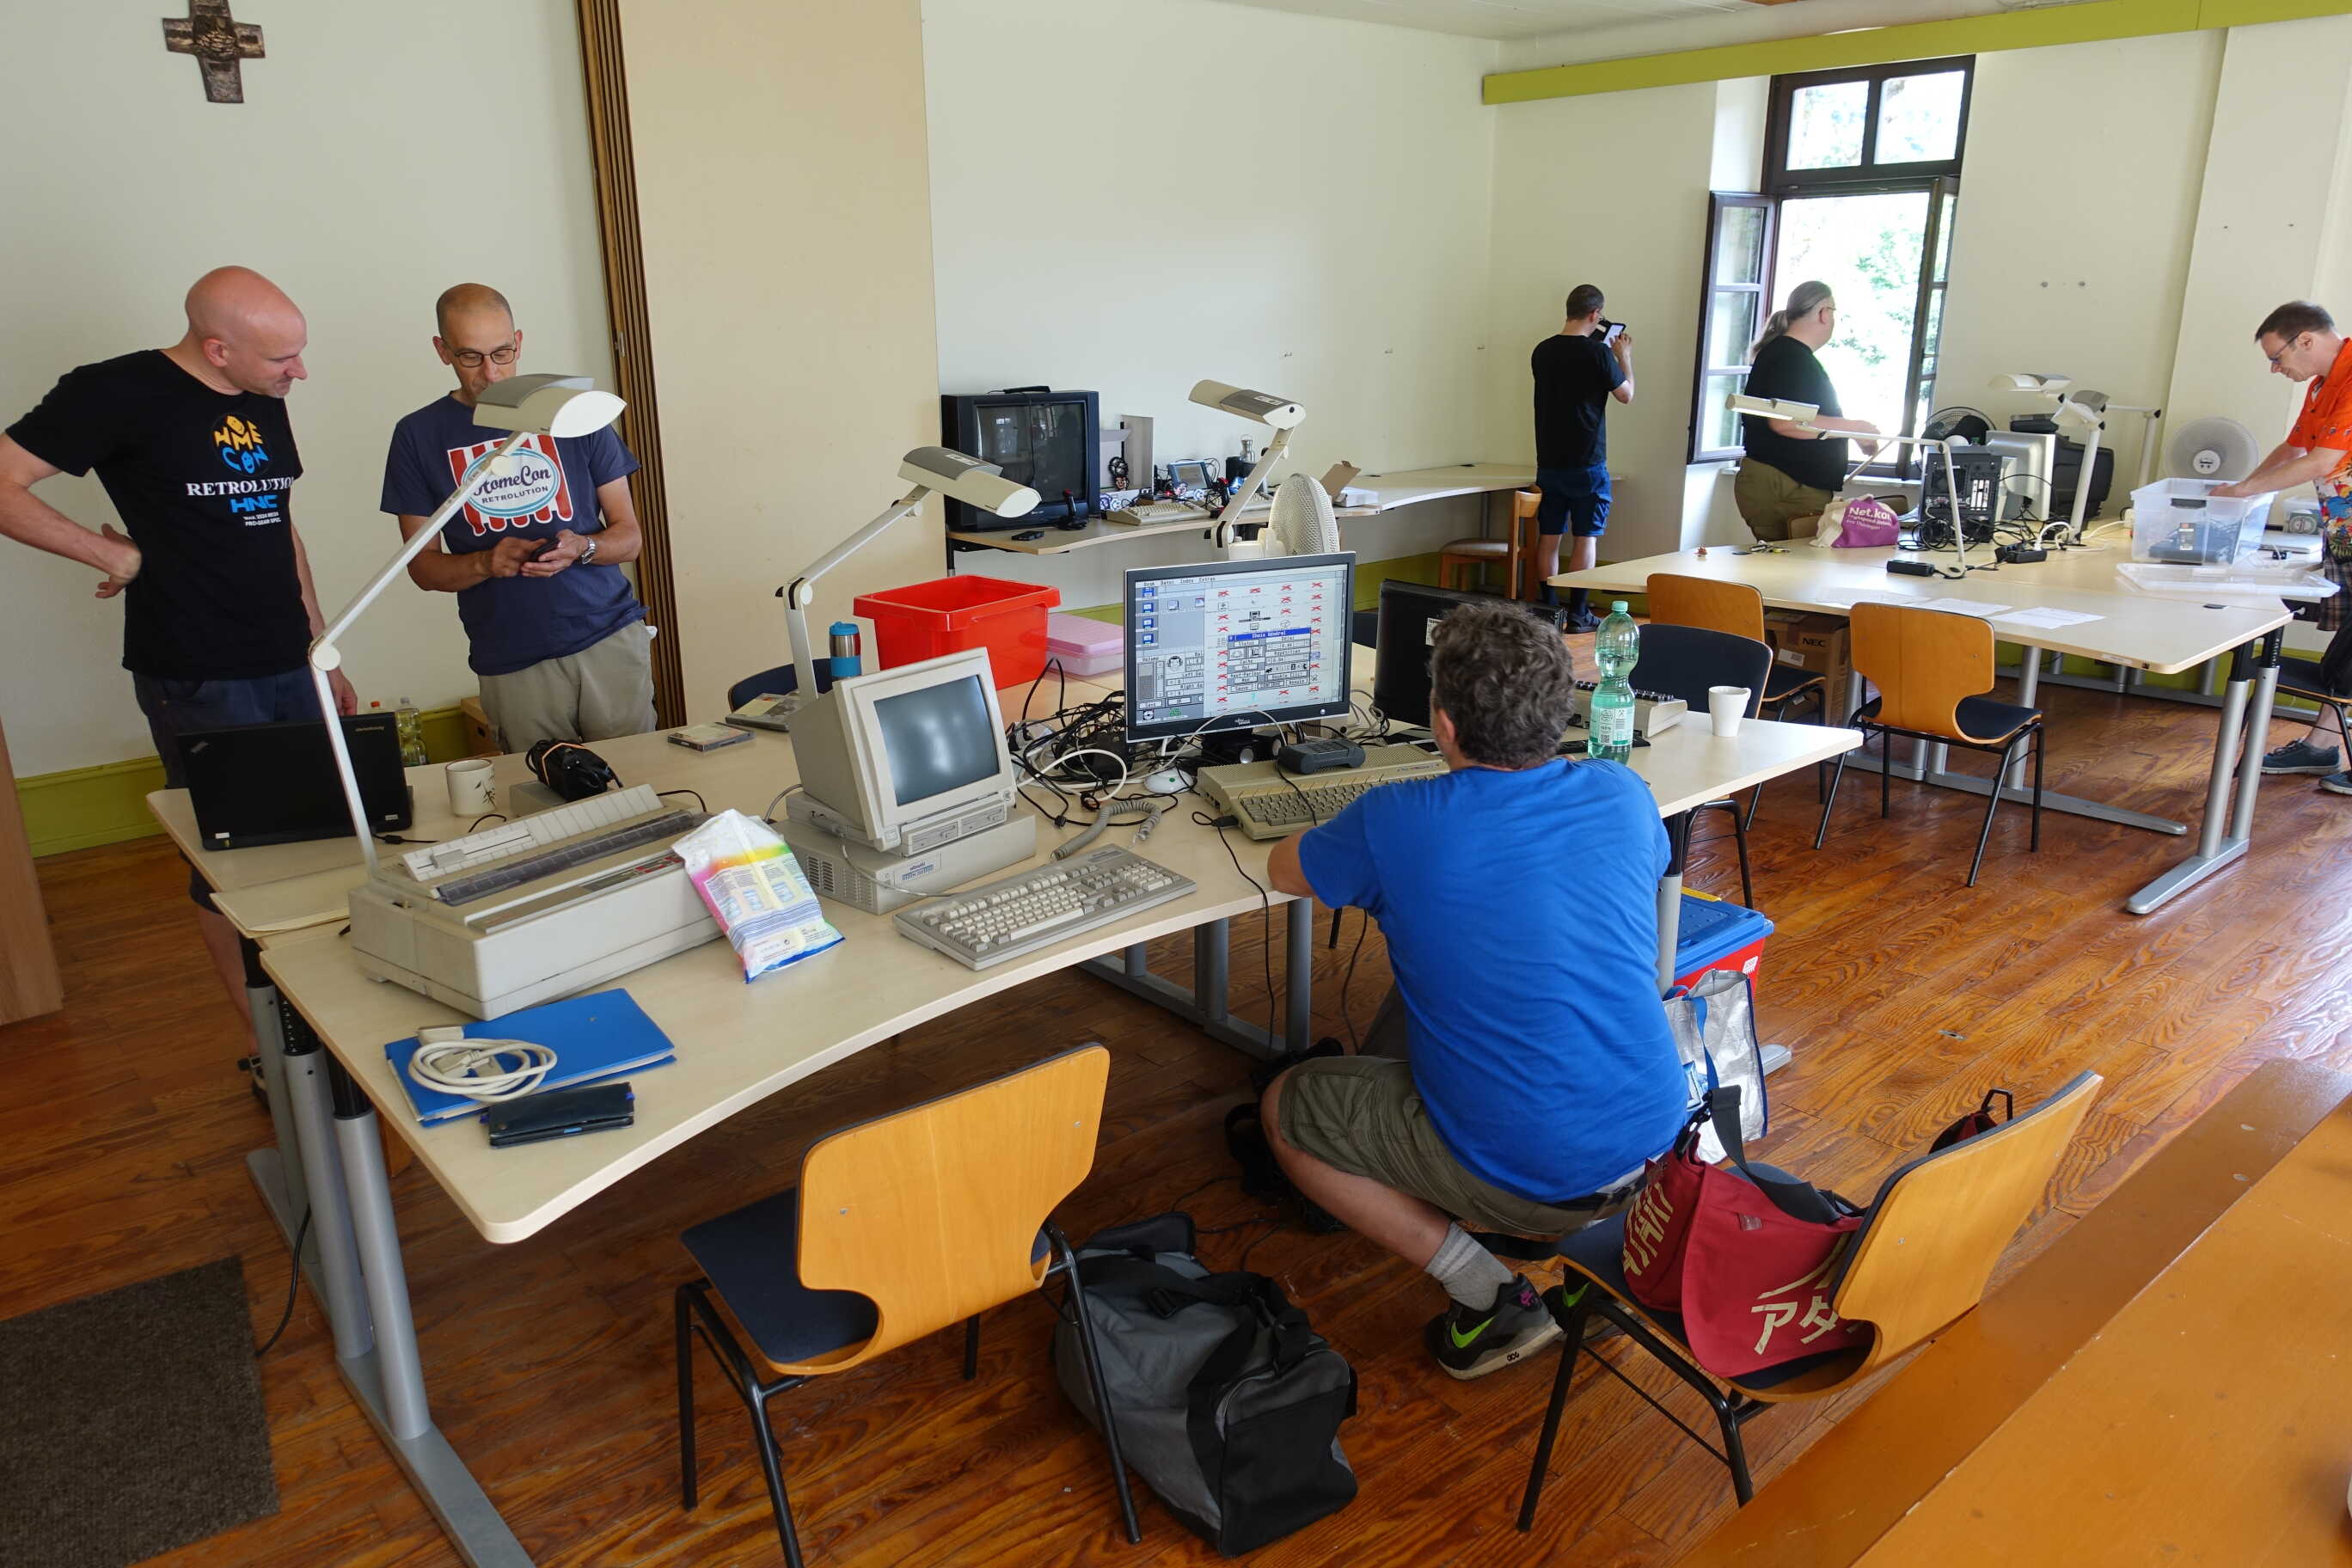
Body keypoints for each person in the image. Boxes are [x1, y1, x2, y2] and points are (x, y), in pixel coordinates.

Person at [1259, 599, 1687, 1379]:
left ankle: (1487, 1295)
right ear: (1562, 711)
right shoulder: (1624, 794)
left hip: (1540, 1171)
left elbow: (1283, 870)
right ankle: (1598, 1256)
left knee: (1288, 1105)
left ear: (1445, 724)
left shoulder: (1398, 818)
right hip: (1656, 1145)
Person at [0, 266, 357, 1033]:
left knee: (317, 843)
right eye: (282, 357)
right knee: (229, 865)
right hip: (198, 673)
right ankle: (269, 1049)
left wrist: (320, 644)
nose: (299, 371)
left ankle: (322, 1028)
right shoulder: (114, 391)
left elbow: (277, 522)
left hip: (290, 660)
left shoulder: (262, 395)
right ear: (217, 348)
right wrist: (112, 556)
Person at [381, 284, 653, 754]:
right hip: (511, 657)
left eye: (502, 353)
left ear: (519, 342)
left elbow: (629, 538)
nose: (491, 372)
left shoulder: (571, 413)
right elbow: (423, 568)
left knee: (641, 777)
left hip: (607, 635)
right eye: (470, 357)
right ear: (442, 351)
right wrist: (485, 563)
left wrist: (582, 547)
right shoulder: (418, 436)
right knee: (544, 791)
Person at [2212, 302, 2352, 791]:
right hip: (2344, 530)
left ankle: (2324, 746)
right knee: (2348, 643)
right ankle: (2321, 746)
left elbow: (2321, 462)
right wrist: (2244, 490)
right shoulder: (2321, 385)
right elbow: (2295, 448)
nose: (2276, 369)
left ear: (2306, 340)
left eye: (2277, 357)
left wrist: (2245, 492)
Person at [1735, 280, 1882, 542]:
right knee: (1791, 564)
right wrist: (1856, 427)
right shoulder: (1789, 357)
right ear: (1823, 313)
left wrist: (1853, 432)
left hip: (1791, 483)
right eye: (1833, 312)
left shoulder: (1790, 355)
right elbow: (1786, 423)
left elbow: (1799, 419)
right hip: (1787, 486)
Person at [1529, 284, 1635, 629]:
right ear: (1595, 314)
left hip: (1549, 460)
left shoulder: (1542, 351)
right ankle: (1578, 613)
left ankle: (1548, 612)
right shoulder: (1599, 354)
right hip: (1587, 460)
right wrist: (1623, 356)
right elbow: (1626, 395)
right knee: (1586, 536)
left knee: (1549, 537)